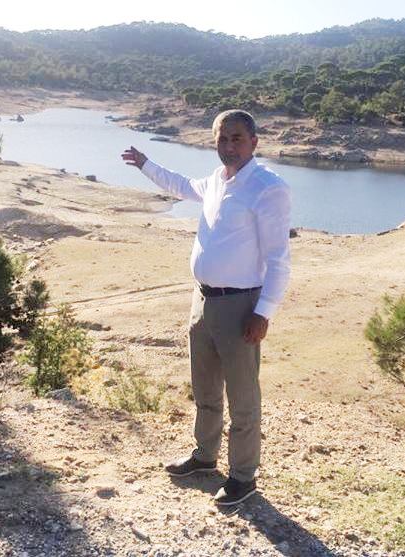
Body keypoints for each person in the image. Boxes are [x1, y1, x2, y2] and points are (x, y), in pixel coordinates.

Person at [121, 109, 291, 505]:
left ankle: (243, 477)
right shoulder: (217, 180)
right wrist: (145, 164)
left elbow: (279, 259)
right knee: (205, 387)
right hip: (203, 301)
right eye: (222, 139)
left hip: (240, 306)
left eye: (236, 138)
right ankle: (204, 455)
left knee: (243, 397)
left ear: (254, 142)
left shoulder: (268, 187)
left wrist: (264, 312)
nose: (229, 146)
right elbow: (181, 185)